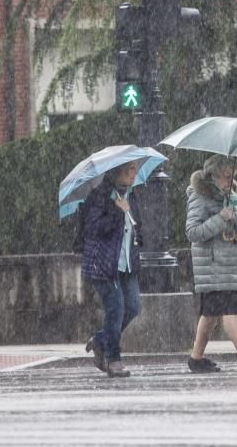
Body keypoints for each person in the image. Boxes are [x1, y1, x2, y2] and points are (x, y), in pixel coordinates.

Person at [186, 155, 237, 373]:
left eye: (233, 176)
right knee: (231, 310)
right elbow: (193, 232)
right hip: (214, 268)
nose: (230, 181)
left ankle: (196, 358)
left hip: (230, 267)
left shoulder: (232, 197)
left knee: (211, 315)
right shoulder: (200, 197)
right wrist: (220, 218)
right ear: (213, 174)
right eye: (226, 176)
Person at [80, 160, 143, 378]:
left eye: (135, 169)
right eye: (131, 170)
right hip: (104, 264)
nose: (135, 173)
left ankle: (100, 340)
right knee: (116, 308)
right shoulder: (100, 195)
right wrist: (116, 213)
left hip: (126, 263)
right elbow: (93, 228)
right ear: (119, 171)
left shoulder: (131, 194)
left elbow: (136, 225)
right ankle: (113, 359)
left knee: (133, 306)